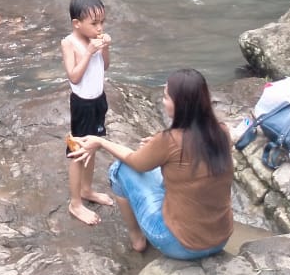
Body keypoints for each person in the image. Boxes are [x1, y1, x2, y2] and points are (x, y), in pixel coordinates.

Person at [70, 68, 233, 259]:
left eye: (166, 97)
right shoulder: (221, 132)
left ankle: (136, 238)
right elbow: (190, 156)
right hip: (220, 239)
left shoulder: (169, 140)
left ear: (180, 104)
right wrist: (158, 147)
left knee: (120, 169)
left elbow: (134, 161)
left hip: (181, 245)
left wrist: (101, 142)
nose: (163, 102)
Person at [61, 0, 113, 224]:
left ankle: (87, 189)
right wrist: (89, 52)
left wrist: (104, 49)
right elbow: (74, 77)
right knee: (77, 152)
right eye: (94, 24)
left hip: (98, 100)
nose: (100, 28)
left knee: (92, 147)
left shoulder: (96, 41)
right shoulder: (69, 43)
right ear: (77, 23)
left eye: (102, 22)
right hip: (82, 104)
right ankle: (75, 203)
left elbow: (106, 67)